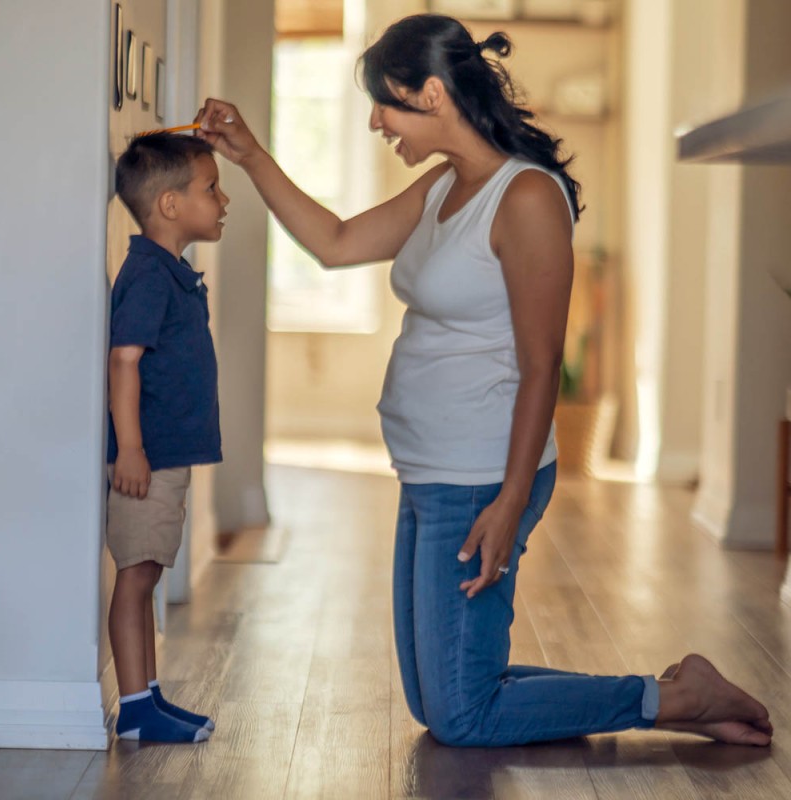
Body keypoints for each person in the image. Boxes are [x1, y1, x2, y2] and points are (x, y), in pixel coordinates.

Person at [195, 13, 772, 747]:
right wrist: (249, 155)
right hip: (428, 471)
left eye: (386, 103)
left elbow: (542, 366)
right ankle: (668, 693)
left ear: (433, 95)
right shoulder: (446, 185)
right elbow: (336, 244)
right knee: (436, 699)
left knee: (462, 716)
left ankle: (675, 699)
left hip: (478, 480)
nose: (376, 122)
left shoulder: (525, 199)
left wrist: (510, 500)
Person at [106, 132, 229, 742]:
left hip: (164, 456)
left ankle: (147, 696)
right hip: (147, 459)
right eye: (212, 188)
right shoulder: (151, 276)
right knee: (137, 575)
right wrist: (131, 448)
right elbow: (124, 359)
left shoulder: (168, 272)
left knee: (148, 572)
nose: (223, 200)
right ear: (171, 205)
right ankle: (135, 710)